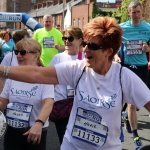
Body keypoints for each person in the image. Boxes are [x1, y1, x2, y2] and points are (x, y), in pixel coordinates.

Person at [1, 16, 150, 150]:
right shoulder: (78, 69)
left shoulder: (123, 77)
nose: (85, 49)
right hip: (71, 146)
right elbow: (36, 73)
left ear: (109, 52)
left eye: (92, 46)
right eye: (85, 43)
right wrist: (2, 70)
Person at [0, 38, 54, 150]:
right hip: (12, 131)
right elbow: (2, 103)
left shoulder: (44, 76)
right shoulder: (13, 75)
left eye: (23, 52)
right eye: (16, 52)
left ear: (36, 55)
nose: (18, 55)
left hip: (34, 133)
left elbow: (48, 103)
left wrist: (39, 123)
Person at [114, 1, 150, 149]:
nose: (135, 15)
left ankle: (128, 118)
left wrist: (148, 48)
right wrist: (116, 55)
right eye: (133, 12)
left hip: (142, 66)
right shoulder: (122, 28)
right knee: (131, 102)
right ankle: (135, 136)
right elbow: (114, 45)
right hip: (127, 67)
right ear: (129, 13)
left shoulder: (148, 27)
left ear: (141, 13)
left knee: (140, 101)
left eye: (138, 12)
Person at [49, 26, 84, 144]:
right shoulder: (57, 58)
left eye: (70, 38)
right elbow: (49, 82)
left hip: (81, 106)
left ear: (80, 40)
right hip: (62, 107)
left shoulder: (86, 58)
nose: (66, 41)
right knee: (64, 141)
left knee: (80, 142)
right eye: (65, 38)